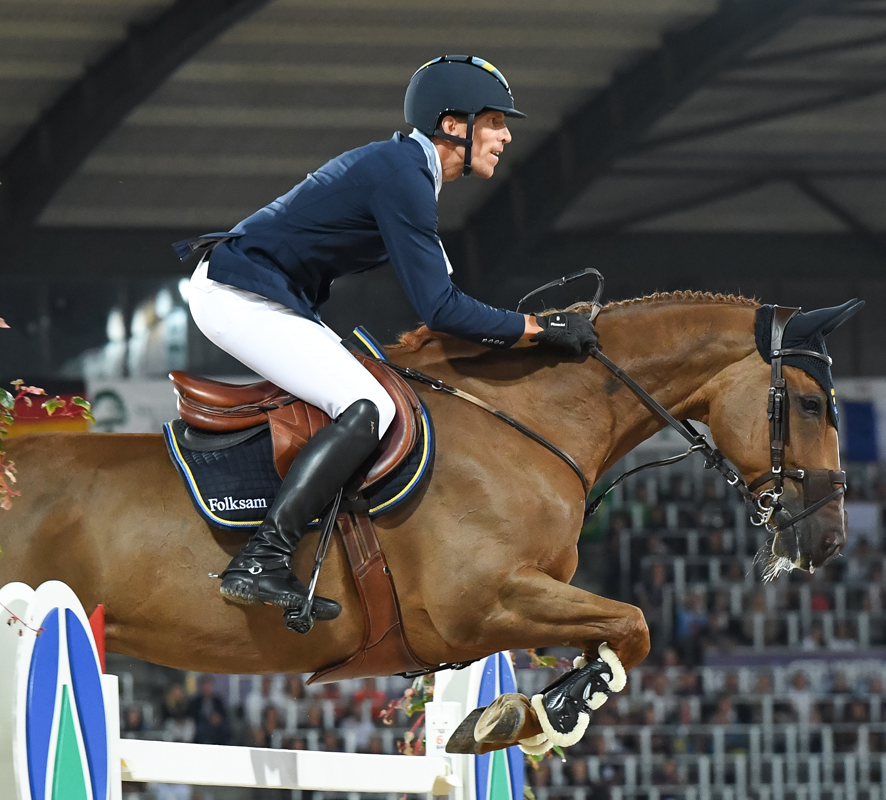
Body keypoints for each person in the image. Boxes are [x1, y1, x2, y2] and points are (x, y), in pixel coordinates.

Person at [179, 55, 597, 623]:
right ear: (454, 124)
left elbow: (447, 299)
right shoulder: (403, 176)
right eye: (495, 120)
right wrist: (538, 329)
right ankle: (261, 558)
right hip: (239, 296)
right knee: (366, 403)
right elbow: (443, 309)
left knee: (374, 389)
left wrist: (530, 332)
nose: (506, 135)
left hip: (264, 295)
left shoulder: (409, 172)